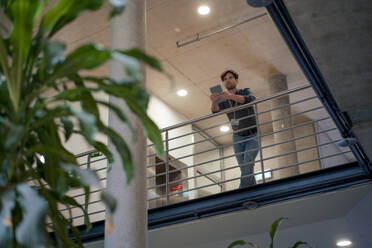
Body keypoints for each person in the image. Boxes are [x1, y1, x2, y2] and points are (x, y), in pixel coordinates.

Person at [210, 70, 259, 188]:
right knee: (244, 166)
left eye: (230, 77)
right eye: (225, 79)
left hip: (252, 135)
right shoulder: (224, 99)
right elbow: (215, 111)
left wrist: (231, 96)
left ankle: (242, 191)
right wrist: (213, 101)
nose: (227, 80)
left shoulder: (244, 91)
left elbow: (250, 99)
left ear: (236, 81)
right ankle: (253, 189)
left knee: (247, 163)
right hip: (237, 136)